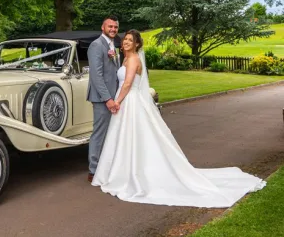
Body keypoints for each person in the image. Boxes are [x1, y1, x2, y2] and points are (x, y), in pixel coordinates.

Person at [91, 29, 266, 208]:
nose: (126, 42)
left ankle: (131, 173)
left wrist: (116, 102)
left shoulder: (134, 59)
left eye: (130, 40)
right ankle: (122, 170)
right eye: (125, 39)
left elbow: (127, 83)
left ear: (137, 44)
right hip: (126, 100)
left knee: (133, 135)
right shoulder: (125, 58)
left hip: (130, 101)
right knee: (123, 136)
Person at [86, 15, 121, 182]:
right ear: (103, 27)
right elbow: (96, 76)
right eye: (110, 26)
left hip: (114, 97)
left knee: (110, 132)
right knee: (99, 134)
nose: (113, 29)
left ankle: (106, 166)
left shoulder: (113, 46)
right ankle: (93, 170)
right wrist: (107, 99)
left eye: (115, 27)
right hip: (102, 98)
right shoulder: (96, 45)